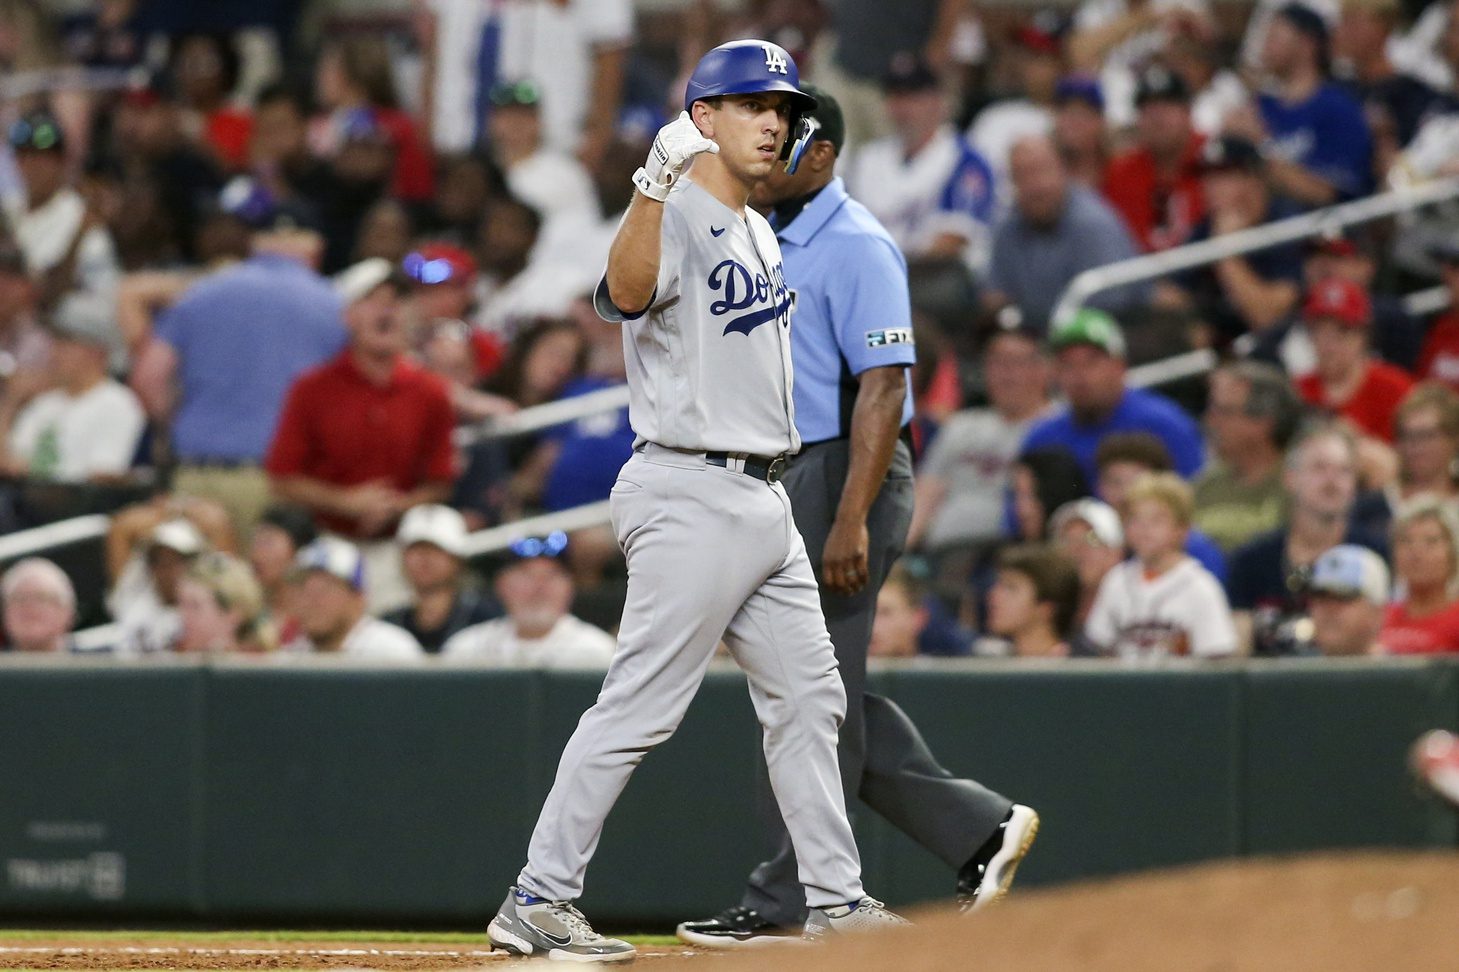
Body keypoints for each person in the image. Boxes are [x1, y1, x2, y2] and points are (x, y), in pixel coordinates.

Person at [485, 42, 907, 965]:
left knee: (810, 698)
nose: (776, 121)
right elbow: (626, 296)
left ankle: (834, 903)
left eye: (782, 107)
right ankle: (537, 897)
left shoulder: (756, 224)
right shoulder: (672, 206)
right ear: (701, 116)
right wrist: (650, 183)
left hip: (762, 496)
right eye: (752, 103)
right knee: (640, 709)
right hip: (688, 485)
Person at [676, 83, 1034, 950]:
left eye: (779, 138)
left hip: (843, 469)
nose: (761, 149)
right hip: (782, 471)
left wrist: (849, 519)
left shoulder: (858, 244)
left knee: (805, 696)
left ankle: (788, 898)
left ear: (823, 154)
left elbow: (884, 389)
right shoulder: (760, 234)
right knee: (809, 689)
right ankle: (974, 829)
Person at [129, 199, 345, 537]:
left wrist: (177, 422)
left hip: (195, 477)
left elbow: (148, 378)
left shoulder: (199, 294)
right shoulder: (335, 304)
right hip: (279, 483)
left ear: (255, 243)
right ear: (315, 247)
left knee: (199, 586)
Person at [266, 259, 457, 613]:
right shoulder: (312, 389)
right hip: (326, 540)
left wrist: (395, 506)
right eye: (371, 299)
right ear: (348, 315)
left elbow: (440, 482)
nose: (386, 310)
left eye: (397, 299)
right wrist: (344, 502)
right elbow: (282, 478)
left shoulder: (432, 393)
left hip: (399, 550)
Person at [909, 324, 1053, 586]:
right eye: (997, 362)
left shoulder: (1055, 426)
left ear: (1044, 369)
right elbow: (925, 495)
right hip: (940, 555)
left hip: (1007, 554)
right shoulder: (958, 426)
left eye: (1016, 362)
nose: (1006, 374)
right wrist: (897, 554)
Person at [1227, 424, 1388, 655]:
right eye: (1319, 468)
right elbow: (1237, 651)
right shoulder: (1251, 560)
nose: (1332, 480)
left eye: (1344, 470)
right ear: (1290, 478)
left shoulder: (1374, 553)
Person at [845, 54, 997, 273]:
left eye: (913, 97)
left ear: (938, 100)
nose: (902, 108)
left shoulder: (966, 161)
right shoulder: (868, 158)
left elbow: (952, 242)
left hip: (932, 282)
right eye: (895, 97)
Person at [1022, 309, 1204, 484]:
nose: (1079, 375)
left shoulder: (1164, 425)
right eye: (1067, 364)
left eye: (1091, 362)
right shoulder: (1043, 438)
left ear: (1119, 365)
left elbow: (1194, 500)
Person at [984, 135, 1144, 328]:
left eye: (1042, 171)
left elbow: (1110, 307)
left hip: (1101, 334)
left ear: (1063, 170)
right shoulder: (1009, 226)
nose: (1036, 185)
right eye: (1022, 175)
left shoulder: (1092, 224)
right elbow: (994, 296)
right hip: (1034, 337)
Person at [1227, 2, 1373, 205]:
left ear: (1307, 44)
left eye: (1275, 36)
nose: (1265, 45)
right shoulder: (1258, 107)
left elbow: (1329, 194)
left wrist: (1259, 148)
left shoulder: (1338, 108)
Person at [1165, 135, 1304, 343]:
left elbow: (1265, 319)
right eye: (1206, 177)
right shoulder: (1208, 226)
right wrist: (1193, 323)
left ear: (1253, 179)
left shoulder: (1287, 223)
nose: (1209, 187)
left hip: (1287, 349)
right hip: (1229, 349)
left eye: (1223, 176)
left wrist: (1226, 251)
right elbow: (1168, 294)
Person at [1084, 472, 1237, 658]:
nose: (1144, 529)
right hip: (1126, 685)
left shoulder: (1200, 586)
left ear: (1182, 529)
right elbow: (1101, 648)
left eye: (1156, 520)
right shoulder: (1116, 579)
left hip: (1181, 686)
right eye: (1135, 519)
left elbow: (1217, 658)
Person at [1, 294, 143, 484]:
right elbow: (8, 465)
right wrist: (10, 401)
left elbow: (101, 480)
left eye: (67, 342)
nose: (55, 350)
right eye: (55, 341)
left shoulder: (118, 403)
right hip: (25, 507)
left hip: (82, 511)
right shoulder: (44, 402)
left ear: (97, 351)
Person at [442, 531, 612, 667]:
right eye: (527, 575)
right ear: (502, 585)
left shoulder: (598, 651)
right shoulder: (467, 649)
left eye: (551, 576)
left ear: (570, 587)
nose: (539, 587)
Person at [4, 109, 119, 306]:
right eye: (23, 156)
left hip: (75, 321)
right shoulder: (8, 207)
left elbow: (105, 295)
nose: (31, 165)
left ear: (62, 161)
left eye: (41, 157)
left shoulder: (82, 216)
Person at [1193, 361, 1301, 552]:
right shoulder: (1202, 487)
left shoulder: (1300, 485)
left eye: (1224, 411)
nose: (1210, 420)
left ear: (1264, 423)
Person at [1294, 277, 1414, 444]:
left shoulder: (1395, 388)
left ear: (1363, 336)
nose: (1328, 344)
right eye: (1318, 331)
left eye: (1342, 331)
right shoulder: (1297, 390)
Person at [1101, 65, 1207, 253]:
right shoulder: (1120, 174)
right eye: (1147, 108)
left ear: (1188, 113)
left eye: (1168, 105)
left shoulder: (1216, 159)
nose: (1157, 117)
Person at [1094, 432, 1227, 581]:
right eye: (1115, 482)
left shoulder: (1196, 550)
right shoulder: (1092, 542)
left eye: (1136, 481)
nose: (1125, 494)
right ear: (1099, 487)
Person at [384, 504, 498, 654]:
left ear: (458, 559)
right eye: (415, 549)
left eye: (436, 549)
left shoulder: (488, 621)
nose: (425, 558)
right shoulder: (389, 624)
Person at [289, 537, 421, 659]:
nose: (311, 601)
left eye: (323, 589)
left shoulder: (392, 650)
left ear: (358, 598)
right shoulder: (290, 654)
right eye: (303, 589)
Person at [1379, 498, 1459, 654]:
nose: (1416, 552)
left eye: (1431, 541)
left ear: (1453, 553)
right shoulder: (1379, 618)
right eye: (1406, 541)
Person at [984, 544, 1081, 657]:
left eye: (1010, 588)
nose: (993, 595)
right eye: (998, 584)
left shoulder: (1084, 667)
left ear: (1046, 608)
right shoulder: (991, 663)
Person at [1049, 498, 1126, 635]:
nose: (1077, 549)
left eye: (1092, 539)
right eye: (1066, 540)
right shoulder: (1047, 613)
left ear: (1116, 552)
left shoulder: (1133, 612)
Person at [174, 551, 273, 654]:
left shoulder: (262, 665)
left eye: (195, 606)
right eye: (181, 604)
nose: (183, 615)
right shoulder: (170, 655)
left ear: (233, 614)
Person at [1303, 543, 1390, 656]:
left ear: (1377, 612)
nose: (1329, 608)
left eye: (1343, 597)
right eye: (1320, 597)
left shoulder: (1405, 671)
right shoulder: (1290, 669)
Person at [1391, 384, 1459, 506]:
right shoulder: (1376, 506)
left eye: (1426, 435)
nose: (1415, 446)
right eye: (1407, 435)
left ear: (1454, 438)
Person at [1, 558, 78, 653]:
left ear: (67, 611)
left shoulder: (95, 664)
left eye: (41, 598)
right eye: (20, 599)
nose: (30, 607)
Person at [867, 563, 932, 659]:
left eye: (885, 613)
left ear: (918, 618)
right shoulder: (841, 671)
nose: (870, 625)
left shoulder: (945, 672)